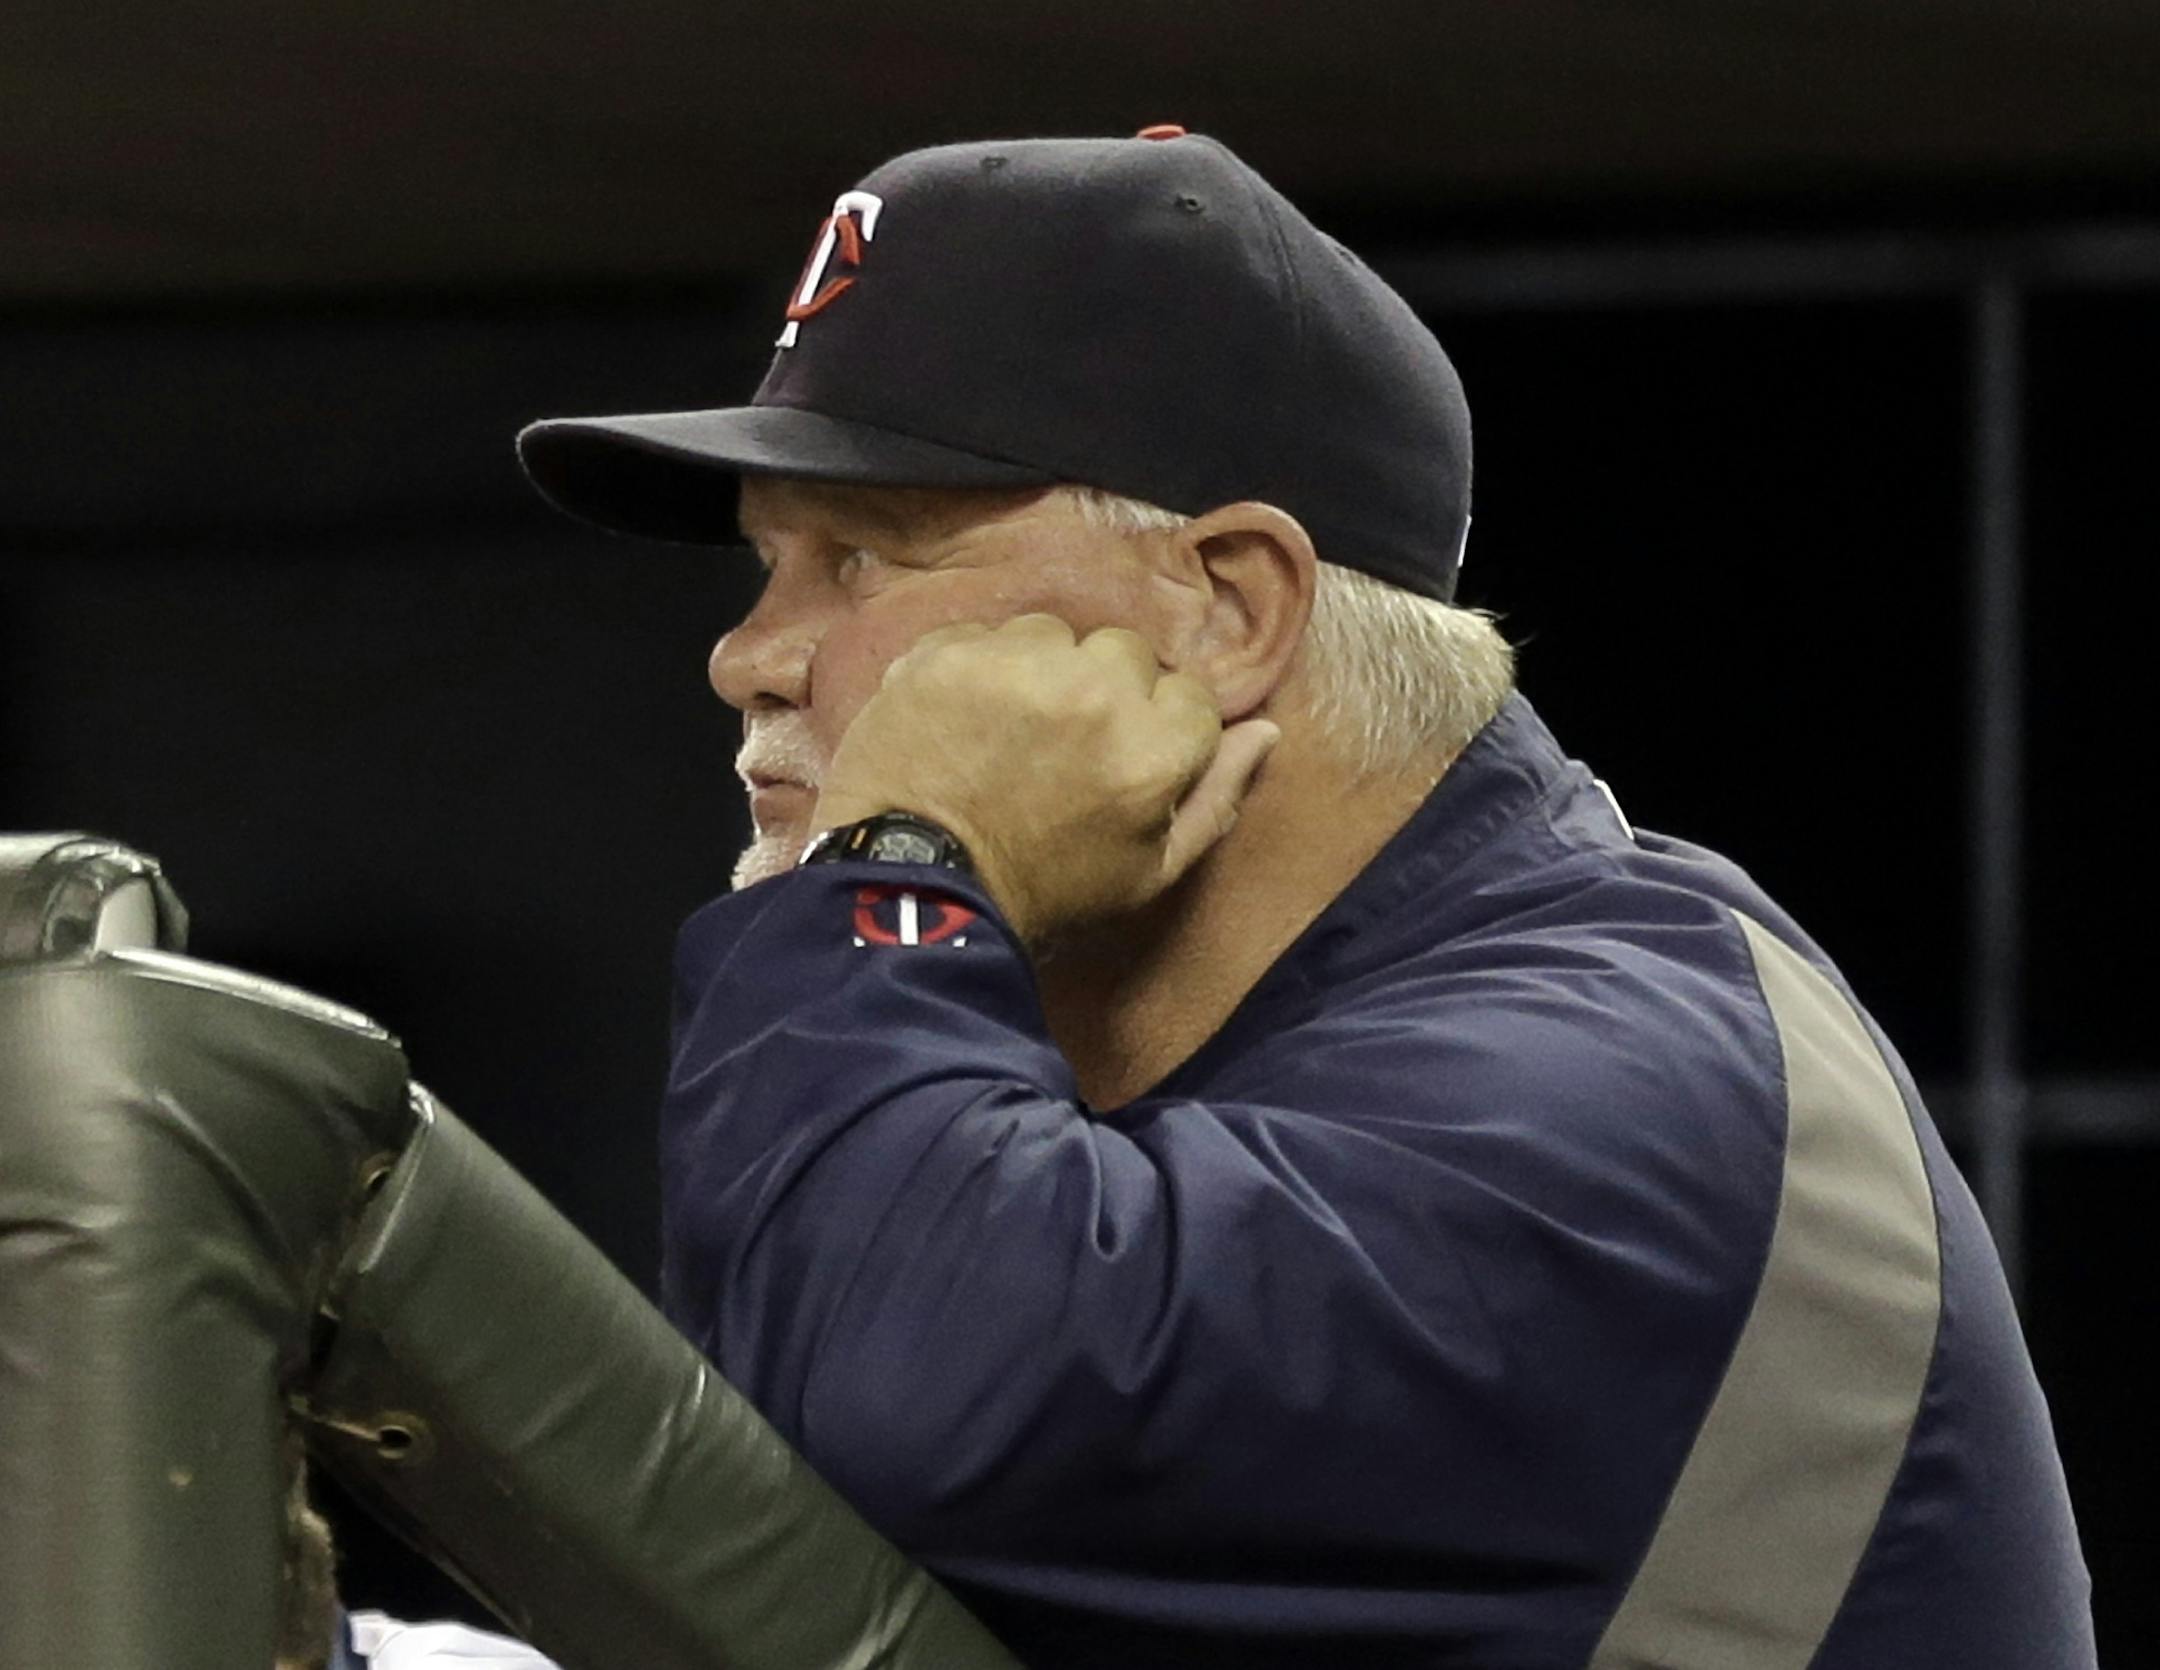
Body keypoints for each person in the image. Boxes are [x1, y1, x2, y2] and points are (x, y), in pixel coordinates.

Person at [516, 130, 2096, 1667]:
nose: (750, 655)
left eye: (859, 557)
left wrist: (912, 857)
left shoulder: (1627, 1091)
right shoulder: (1268, 1064)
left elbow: (889, 1415)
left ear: (1224, 608)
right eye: (764, 566)